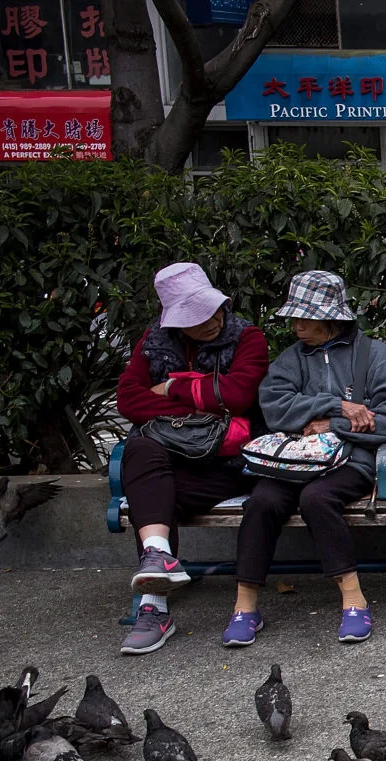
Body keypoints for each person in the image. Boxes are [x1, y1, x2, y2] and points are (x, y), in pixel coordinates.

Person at [228, 271, 386, 647]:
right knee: (262, 501)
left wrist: (332, 424)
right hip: (294, 461)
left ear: (332, 318)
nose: (296, 325)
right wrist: (340, 405)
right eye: (294, 317)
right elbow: (275, 410)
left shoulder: (373, 355)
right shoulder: (290, 360)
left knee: (317, 498)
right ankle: (245, 607)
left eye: (304, 317)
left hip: (352, 461)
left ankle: (353, 599)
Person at [113, 262, 268, 655]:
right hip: (169, 462)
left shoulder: (247, 337)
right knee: (141, 453)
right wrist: (198, 409)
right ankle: (158, 569)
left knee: (151, 490)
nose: (211, 321)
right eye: (197, 317)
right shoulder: (153, 341)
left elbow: (238, 396)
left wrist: (173, 386)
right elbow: (129, 399)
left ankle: (153, 604)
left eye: (213, 310)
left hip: (226, 465)